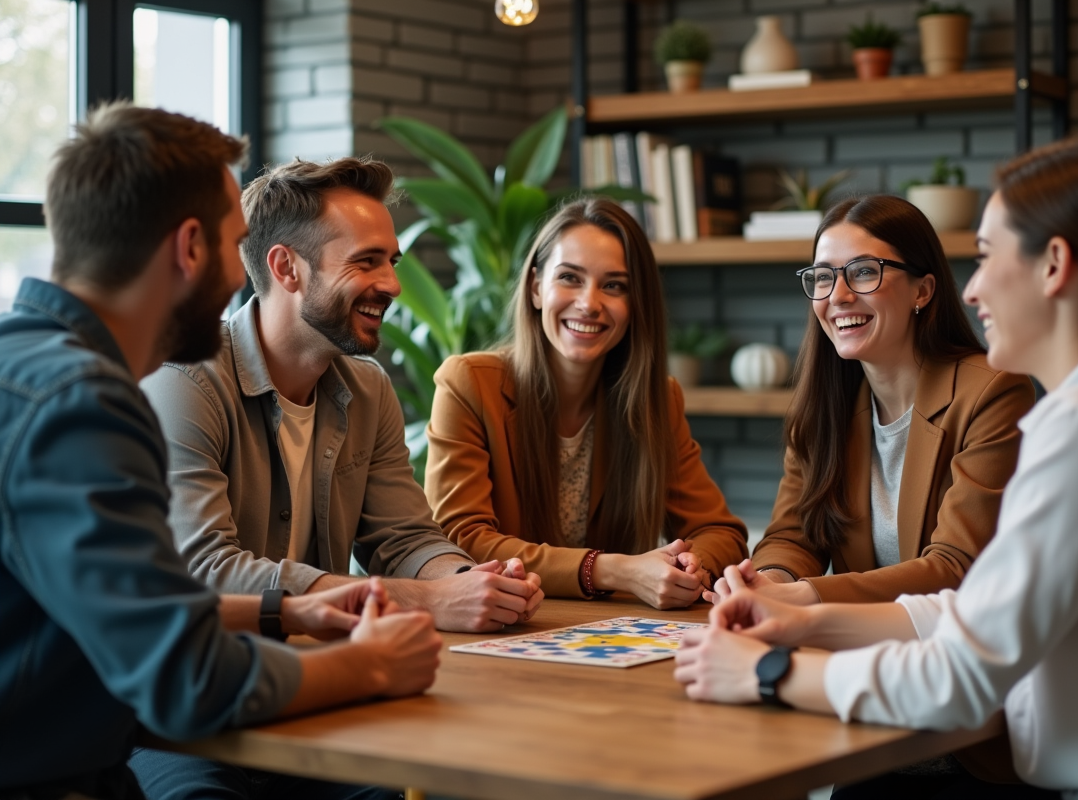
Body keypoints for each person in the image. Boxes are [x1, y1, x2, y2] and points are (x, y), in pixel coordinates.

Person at [675, 137, 1078, 800]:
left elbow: (962, 676)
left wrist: (768, 672)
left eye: (985, 256)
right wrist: (803, 617)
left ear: (1054, 265)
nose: (974, 287)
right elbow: (976, 611)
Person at [0, 104, 442, 800]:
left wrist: (283, 611)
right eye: (237, 245)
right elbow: (186, 677)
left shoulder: (26, 369)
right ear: (189, 249)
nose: (245, 282)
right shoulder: (81, 405)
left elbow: (128, 606)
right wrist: (373, 667)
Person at [139, 157, 544, 637]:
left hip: (319, 662)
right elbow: (206, 572)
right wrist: (426, 599)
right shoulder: (184, 383)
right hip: (207, 680)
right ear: (287, 268)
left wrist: (472, 582)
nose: (392, 285)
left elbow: (404, 538)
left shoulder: (368, 389)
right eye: (365, 261)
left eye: (391, 262)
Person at [711, 194, 1034, 608]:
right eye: (824, 277)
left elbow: (956, 565)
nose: (838, 296)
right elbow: (794, 536)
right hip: (857, 644)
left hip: (959, 652)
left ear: (923, 290)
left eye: (864, 272)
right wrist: (769, 580)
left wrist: (804, 594)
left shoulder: (993, 392)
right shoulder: (823, 406)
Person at [424, 198, 748, 609]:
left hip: (608, 637)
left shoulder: (657, 399)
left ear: (635, 305)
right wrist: (614, 570)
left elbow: (721, 532)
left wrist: (689, 564)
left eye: (614, 285)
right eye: (570, 278)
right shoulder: (468, 383)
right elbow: (461, 540)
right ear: (537, 287)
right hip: (506, 625)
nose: (589, 303)